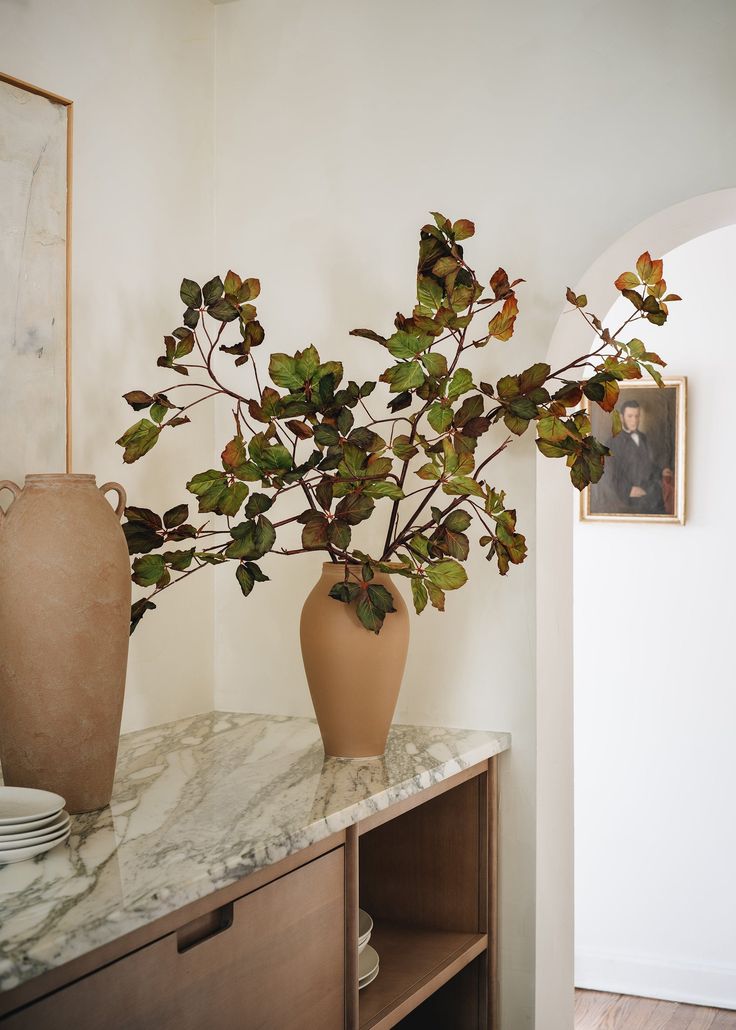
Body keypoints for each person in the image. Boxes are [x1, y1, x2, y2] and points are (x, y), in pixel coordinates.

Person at [607, 399, 668, 515]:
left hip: (650, 490)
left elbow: (647, 464)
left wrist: (661, 472)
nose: (634, 420)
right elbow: (611, 473)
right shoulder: (613, 443)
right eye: (630, 416)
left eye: (637, 416)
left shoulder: (643, 437)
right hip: (629, 496)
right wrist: (628, 490)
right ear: (621, 417)